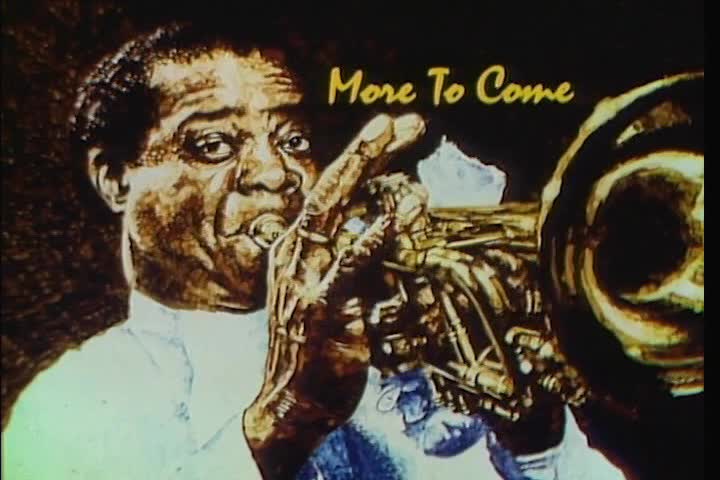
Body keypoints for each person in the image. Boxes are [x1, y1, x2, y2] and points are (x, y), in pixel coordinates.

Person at [2, 24, 626, 480]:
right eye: (214, 144)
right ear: (115, 179)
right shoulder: (69, 407)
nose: (277, 174)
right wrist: (287, 416)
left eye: (294, 139)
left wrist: (536, 441)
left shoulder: (416, 350)